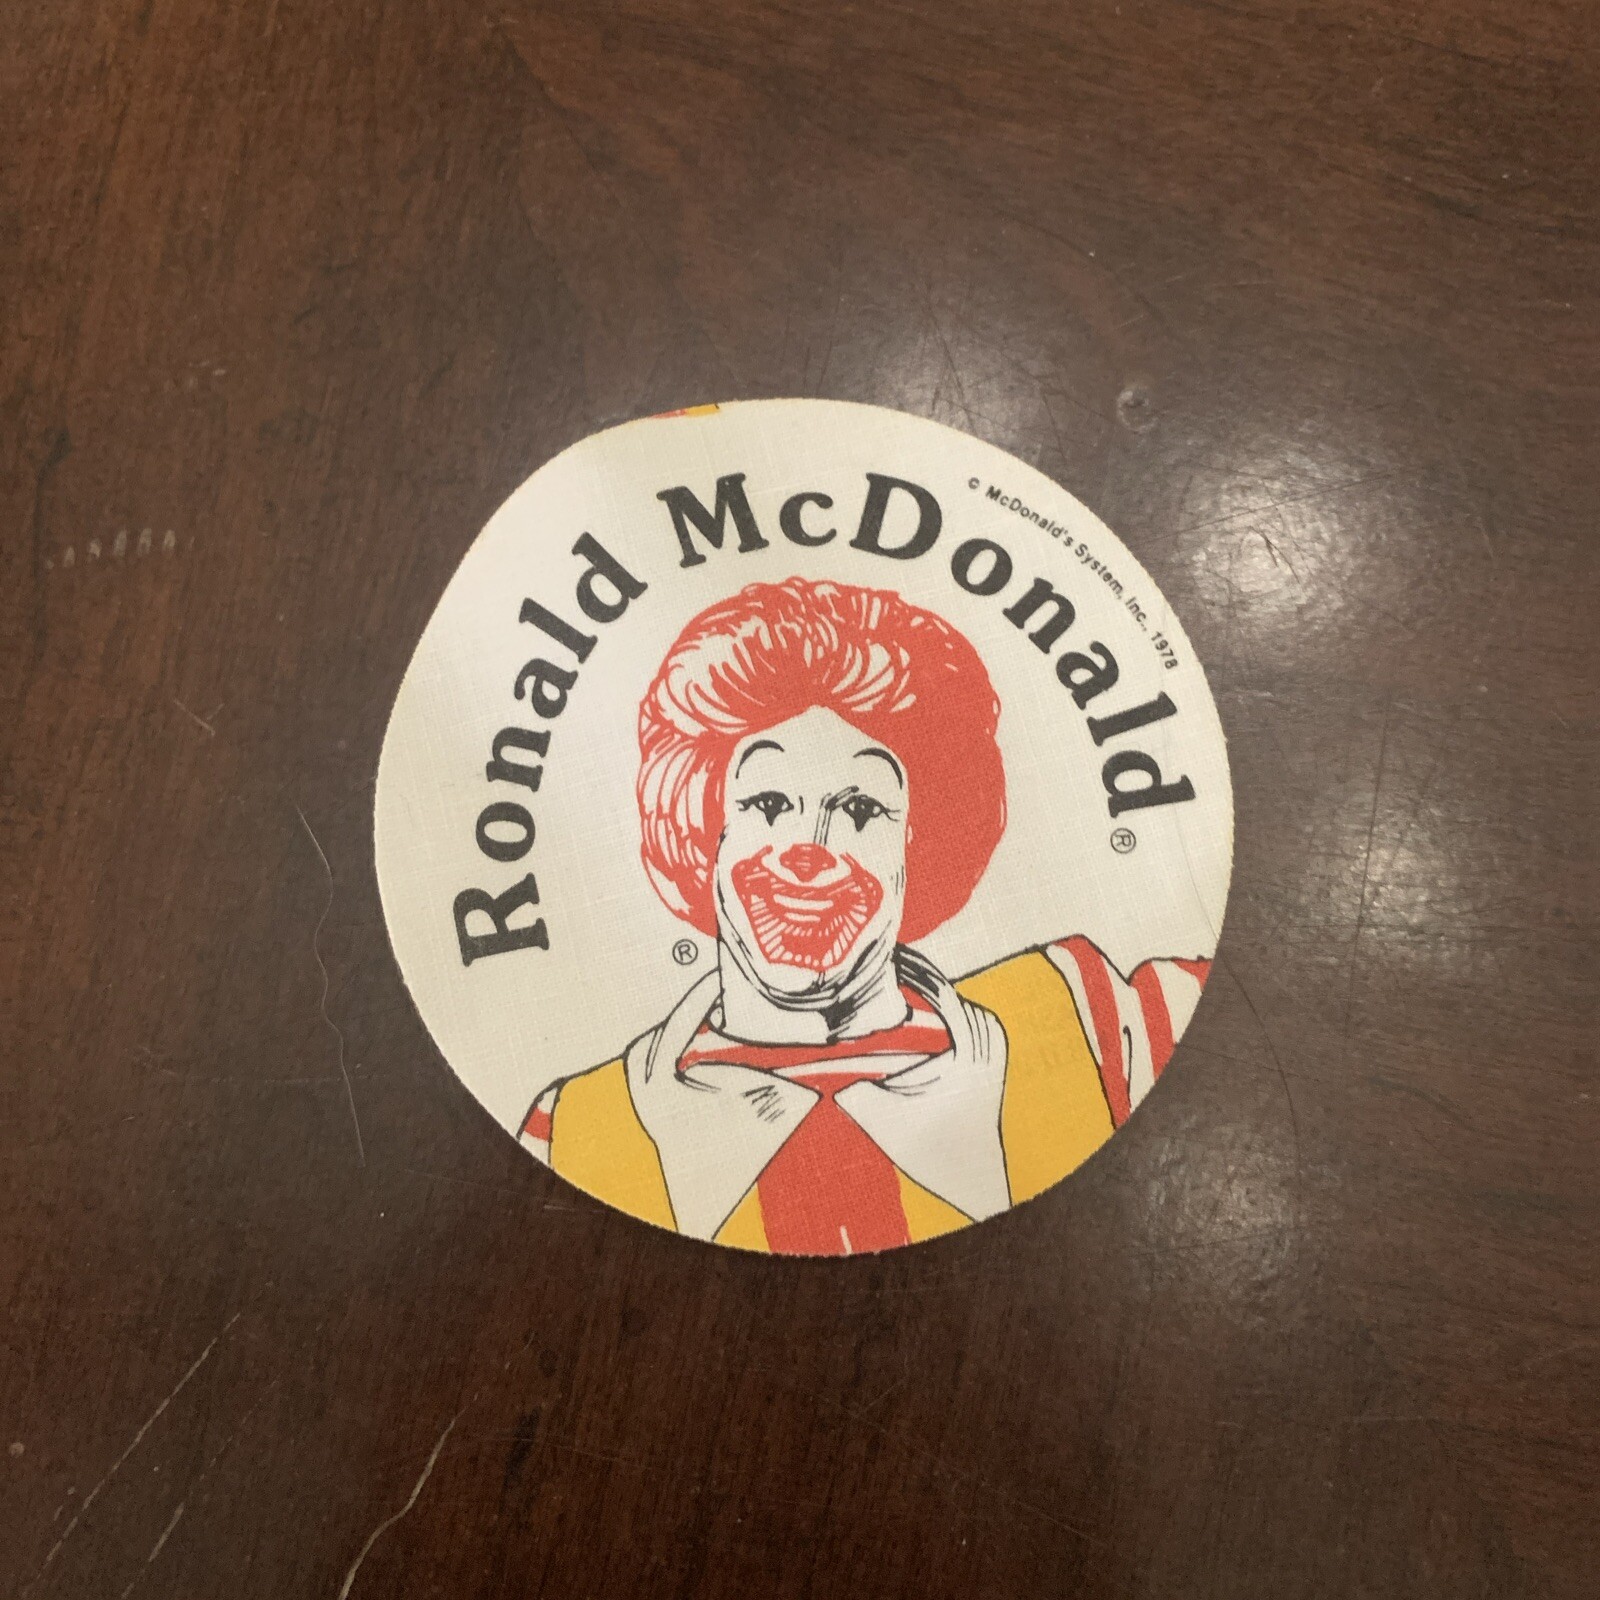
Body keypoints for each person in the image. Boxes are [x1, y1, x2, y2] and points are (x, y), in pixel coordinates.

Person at [520, 577, 1209, 1254]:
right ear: (702, 830)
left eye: (859, 809)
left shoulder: (1100, 1023)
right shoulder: (575, 1131)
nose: (809, 851)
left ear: (920, 843)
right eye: (767, 805)